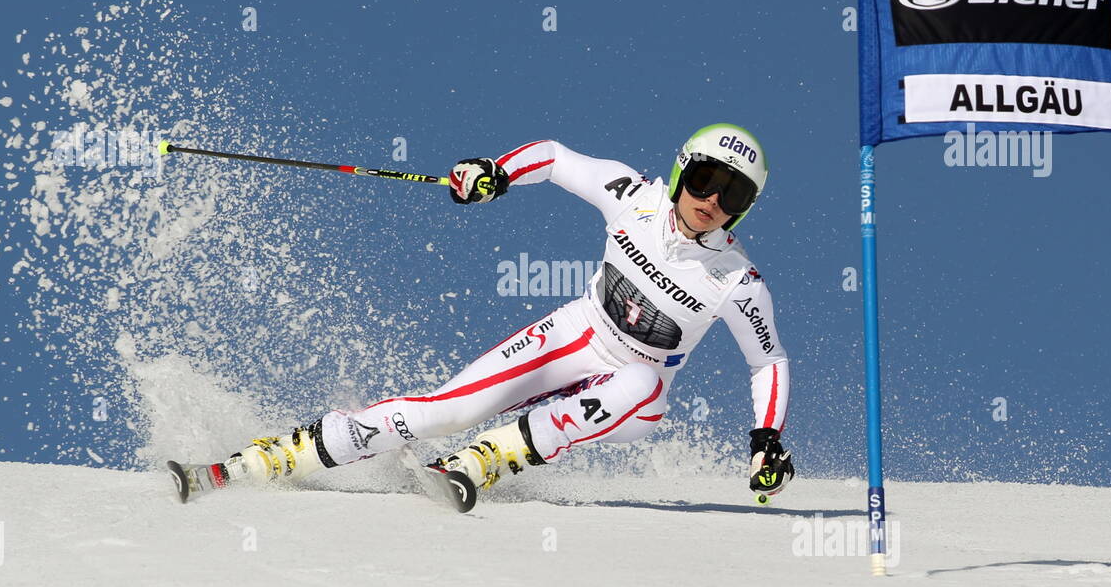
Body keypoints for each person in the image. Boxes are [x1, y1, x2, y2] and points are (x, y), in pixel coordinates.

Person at [199, 124, 794, 502]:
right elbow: (558, 158)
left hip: (636, 389)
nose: (711, 200)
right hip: (579, 333)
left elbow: (767, 361)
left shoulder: (735, 281)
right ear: (680, 172)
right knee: (450, 410)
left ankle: (492, 458)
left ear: (743, 211)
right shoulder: (628, 194)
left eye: (732, 194)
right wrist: (496, 173)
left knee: (641, 382)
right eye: (705, 179)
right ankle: (273, 457)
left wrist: (766, 440)